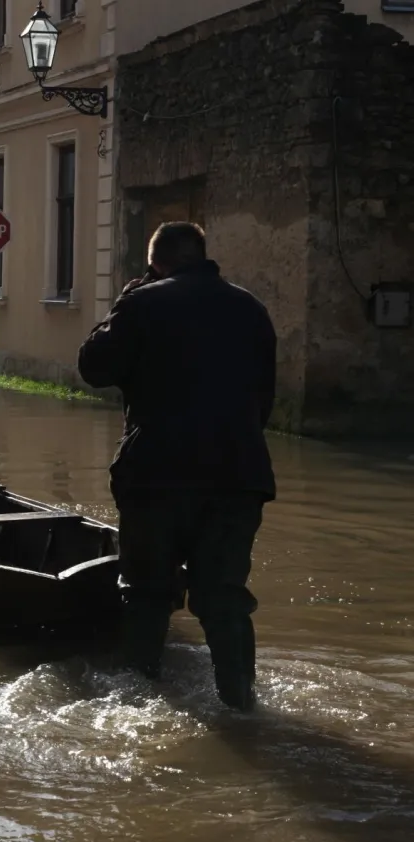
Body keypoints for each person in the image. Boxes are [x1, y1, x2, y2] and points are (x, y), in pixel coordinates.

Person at [77, 222, 276, 711]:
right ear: (203, 256)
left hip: (156, 474)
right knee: (223, 596)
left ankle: (138, 704)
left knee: (147, 592)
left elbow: (93, 368)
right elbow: (264, 402)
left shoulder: (142, 302)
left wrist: (119, 308)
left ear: (156, 263)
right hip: (238, 475)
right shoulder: (251, 308)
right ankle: (241, 704)